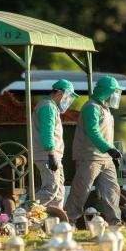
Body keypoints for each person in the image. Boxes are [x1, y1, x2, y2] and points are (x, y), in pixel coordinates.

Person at [65, 76, 125, 226]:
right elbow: (93, 132)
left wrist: (110, 151)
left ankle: (115, 223)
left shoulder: (105, 108)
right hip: (89, 157)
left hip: (105, 158)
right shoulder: (91, 107)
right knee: (81, 192)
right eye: (115, 92)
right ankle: (68, 223)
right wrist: (110, 149)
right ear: (107, 92)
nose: (116, 95)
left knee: (112, 191)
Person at [32, 79, 79, 208]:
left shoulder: (50, 106)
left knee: (58, 192)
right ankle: (20, 214)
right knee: (50, 189)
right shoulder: (48, 107)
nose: (68, 101)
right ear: (59, 93)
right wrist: (51, 155)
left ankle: (54, 223)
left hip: (52, 155)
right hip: (47, 155)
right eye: (68, 96)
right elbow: (47, 132)